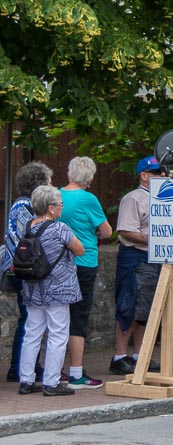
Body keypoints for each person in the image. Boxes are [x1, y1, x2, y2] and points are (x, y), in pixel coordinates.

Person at [17, 185, 84, 396]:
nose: (61, 207)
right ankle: (51, 382)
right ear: (50, 208)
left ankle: (26, 380)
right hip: (58, 288)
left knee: (32, 334)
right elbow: (80, 249)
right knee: (58, 334)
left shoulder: (27, 227)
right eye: (59, 204)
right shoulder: (60, 228)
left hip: (33, 287)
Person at [58, 156, 112, 389]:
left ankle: (54, 370)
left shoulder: (55, 196)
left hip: (59, 262)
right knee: (79, 317)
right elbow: (107, 232)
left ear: (69, 174)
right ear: (89, 179)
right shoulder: (89, 199)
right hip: (84, 260)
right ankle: (76, 373)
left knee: (58, 316)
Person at [110, 155, 163, 376]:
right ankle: (120, 356)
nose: (163, 176)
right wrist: (156, 238)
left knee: (146, 309)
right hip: (134, 257)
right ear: (144, 176)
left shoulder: (163, 199)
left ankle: (139, 355)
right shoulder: (132, 199)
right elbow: (124, 230)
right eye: (157, 172)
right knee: (128, 307)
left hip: (153, 258)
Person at [3, 161, 53, 383]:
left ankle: (27, 365)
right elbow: (32, 236)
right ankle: (20, 367)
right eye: (49, 181)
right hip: (23, 271)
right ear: (39, 183)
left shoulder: (20, 205)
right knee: (28, 319)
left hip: (21, 269)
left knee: (29, 318)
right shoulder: (25, 206)